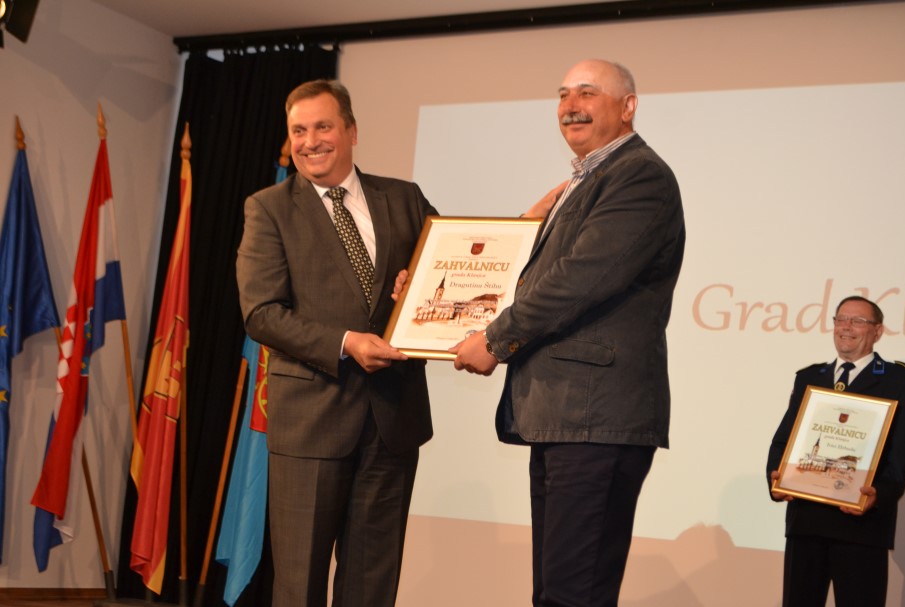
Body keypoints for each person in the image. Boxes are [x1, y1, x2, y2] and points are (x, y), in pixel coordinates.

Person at [449, 59, 686, 607]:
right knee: (556, 594)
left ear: (628, 107)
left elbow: (581, 278)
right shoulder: (585, 181)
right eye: (562, 94)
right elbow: (535, 275)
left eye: (587, 92)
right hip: (570, 418)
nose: (570, 106)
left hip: (594, 418)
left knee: (571, 595)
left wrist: (494, 340)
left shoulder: (639, 174)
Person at [236, 79, 435, 607]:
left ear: (351, 131)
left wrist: (414, 285)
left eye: (322, 127)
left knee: (372, 587)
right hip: (311, 423)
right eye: (298, 131)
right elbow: (261, 313)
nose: (309, 141)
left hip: (393, 421)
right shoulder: (269, 208)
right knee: (299, 586)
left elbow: (445, 267)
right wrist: (346, 342)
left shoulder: (405, 198)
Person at [766, 296, 905, 607]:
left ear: (877, 331)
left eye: (858, 321)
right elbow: (784, 440)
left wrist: (879, 495)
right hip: (806, 522)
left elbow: (901, 454)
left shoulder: (901, 380)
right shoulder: (810, 377)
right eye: (841, 319)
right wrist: (777, 478)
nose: (846, 327)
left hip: (862, 526)